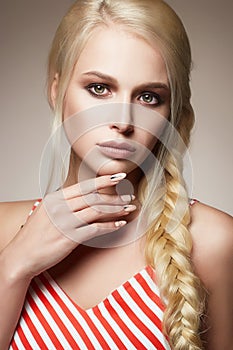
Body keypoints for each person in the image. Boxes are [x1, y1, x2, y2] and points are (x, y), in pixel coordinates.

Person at [0, 0, 232, 349]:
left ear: (171, 112)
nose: (123, 121)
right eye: (99, 88)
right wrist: (14, 267)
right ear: (56, 91)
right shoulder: (3, 230)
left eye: (149, 97)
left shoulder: (213, 241)